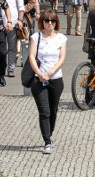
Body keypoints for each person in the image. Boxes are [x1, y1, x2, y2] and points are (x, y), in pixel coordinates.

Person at [27, 9, 67, 154]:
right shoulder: (35, 37)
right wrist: (39, 73)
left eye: (52, 21)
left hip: (56, 79)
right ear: (42, 22)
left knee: (53, 110)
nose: (49, 24)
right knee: (44, 111)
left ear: (56, 23)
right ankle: (47, 141)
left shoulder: (61, 38)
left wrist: (50, 73)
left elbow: (62, 58)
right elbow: (31, 57)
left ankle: (49, 133)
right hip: (39, 80)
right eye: (46, 21)